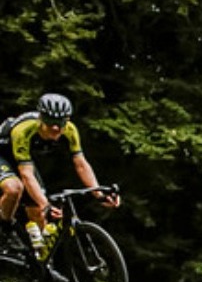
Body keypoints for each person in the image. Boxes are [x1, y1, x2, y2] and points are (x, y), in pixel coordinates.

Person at [1, 93, 119, 236]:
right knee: (14, 188)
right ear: (41, 119)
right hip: (3, 154)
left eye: (61, 122)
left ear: (67, 120)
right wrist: (46, 205)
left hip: (24, 159)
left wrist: (99, 194)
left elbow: (81, 164)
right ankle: (5, 229)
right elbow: (26, 174)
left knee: (38, 210)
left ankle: (38, 254)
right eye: (50, 122)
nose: (56, 128)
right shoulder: (23, 131)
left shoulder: (70, 130)